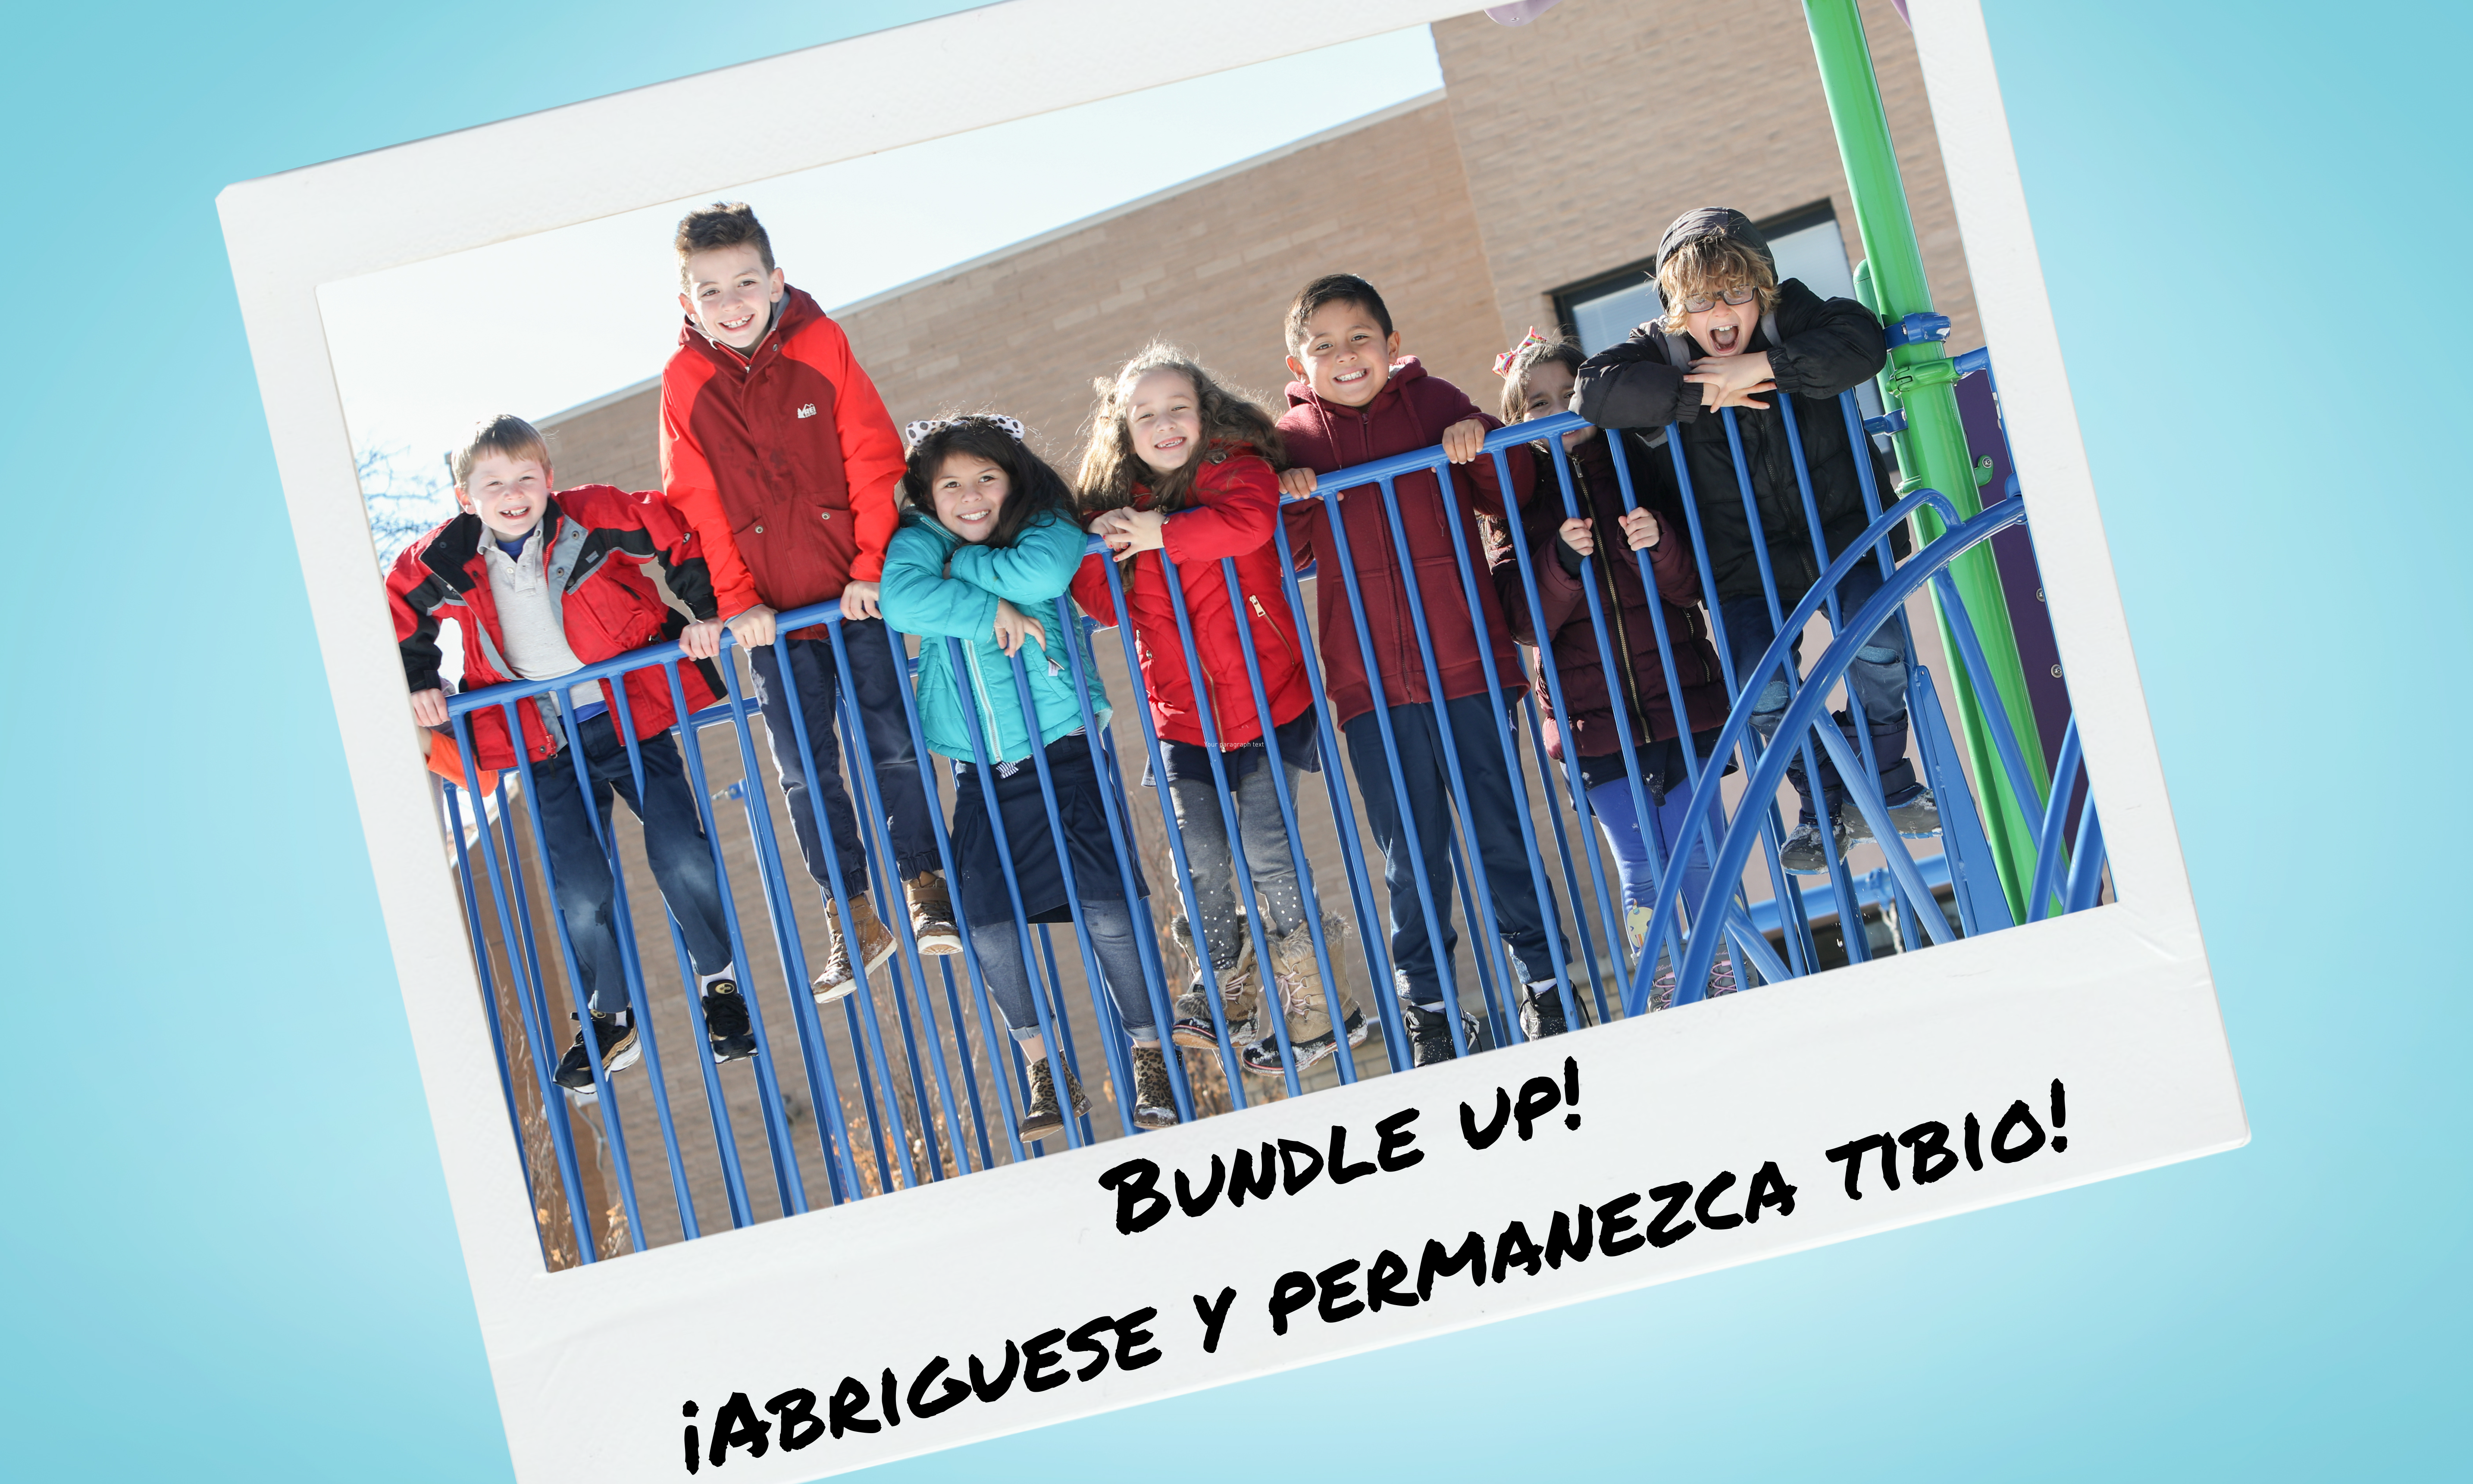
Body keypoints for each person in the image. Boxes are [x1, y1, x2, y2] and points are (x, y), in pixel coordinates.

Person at [387, 415, 756, 1090]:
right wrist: (417, 682)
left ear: (549, 479)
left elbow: (672, 533)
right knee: (580, 886)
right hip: (544, 742)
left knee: (680, 849)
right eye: (493, 483)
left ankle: (719, 982)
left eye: (526, 477)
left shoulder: (591, 515)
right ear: (466, 495)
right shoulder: (446, 557)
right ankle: (610, 1015)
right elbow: (399, 607)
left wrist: (705, 613)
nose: (513, 493)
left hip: (627, 716)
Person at [1572, 208, 1939, 874]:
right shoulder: (1660, 349)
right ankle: (1821, 799)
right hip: (1741, 562)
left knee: (1878, 641)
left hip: (1842, 534)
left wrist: (1764, 367)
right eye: (1700, 299)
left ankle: (1883, 774)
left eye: (1737, 292)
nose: (1722, 311)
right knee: (1761, 685)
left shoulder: (1792, 315)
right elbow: (1592, 393)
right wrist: (1701, 390)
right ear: (1674, 307)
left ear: (1763, 289)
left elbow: (1861, 341)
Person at [658, 201, 959, 1005]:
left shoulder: (821, 343)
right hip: (771, 622)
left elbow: (871, 454)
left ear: (776, 281)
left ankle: (926, 884)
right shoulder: (684, 380)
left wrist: (871, 570)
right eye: (711, 290)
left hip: (853, 600)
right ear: (688, 303)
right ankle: (853, 911)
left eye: (746, 282)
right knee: (801, 771)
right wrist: (736, 601)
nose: (732, 302)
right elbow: (696, 502)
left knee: (893, 741)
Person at [1273, 273, 1569, 1064]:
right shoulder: (1295, 440)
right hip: (1371, 686)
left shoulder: (1437, 402)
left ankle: (1545, 983)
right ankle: (1430, 1005)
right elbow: (1282, 551)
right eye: (1325, 346)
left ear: (1393, 344)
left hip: (1468, 663)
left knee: (1499, 828)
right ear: (1300, 365)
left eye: (1361, 337)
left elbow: (1514, 487)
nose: (1346, 356)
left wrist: (1474, 443)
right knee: (1411, 849)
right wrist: (1293, 494)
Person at [878, 415, 1177, 1138]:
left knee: (1109, 909)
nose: (970, 496)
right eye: (950, 484)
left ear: (1013, 477)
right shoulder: (919, 541)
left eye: (986, 476)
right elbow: (897, 598)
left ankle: (1148, 1052)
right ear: (927, 493)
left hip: (1064, 753)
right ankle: (1044, 1063)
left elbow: (1046, 571)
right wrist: (988, 610)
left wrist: (963, 569)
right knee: (985, 926)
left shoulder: (1043, 523)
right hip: (981, 771)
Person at [1071, 344, 1365, 1078]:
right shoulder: (1121, 507)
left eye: (1179, 409)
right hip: (1181, 716)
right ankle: (1220, 987)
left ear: (1205, 415)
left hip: (1267, 702)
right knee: (1197, 855)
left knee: (1269, 852)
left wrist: (1160, 533)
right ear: (1123, 430)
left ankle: (1316, 1000)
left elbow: (1246, 527)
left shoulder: (1237, 469)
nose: (1165, 425)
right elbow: (1101, 602)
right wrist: (1095, 546)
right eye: (1147, 416)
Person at [1493, 331, 1738, 1006]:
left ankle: (1723, 969)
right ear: (1517, 424)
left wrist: (1656, 545)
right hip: (1590, 723)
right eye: (1533, 405)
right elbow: (1521, 618)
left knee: (1696, 851)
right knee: (1639, 865)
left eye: (1564, 397)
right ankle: (1662, 979)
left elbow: (1690, 585)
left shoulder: (1634, 461)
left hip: (1683, 701)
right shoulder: (1518, 500)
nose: (1554, 413)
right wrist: (1560, 564)